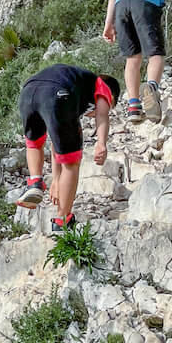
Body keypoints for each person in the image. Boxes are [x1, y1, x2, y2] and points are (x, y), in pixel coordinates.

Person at [14, 64, 120, 232]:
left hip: (28, 92)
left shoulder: (78, 87)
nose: (90, 114)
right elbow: (102, 114)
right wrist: (101, 143)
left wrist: (56, 179)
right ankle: (62, 220)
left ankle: (35, 182)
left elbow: (58, 146)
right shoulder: (102, 86)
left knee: (34, 142)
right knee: (73, 162)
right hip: (58, 93)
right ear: (111, 99)